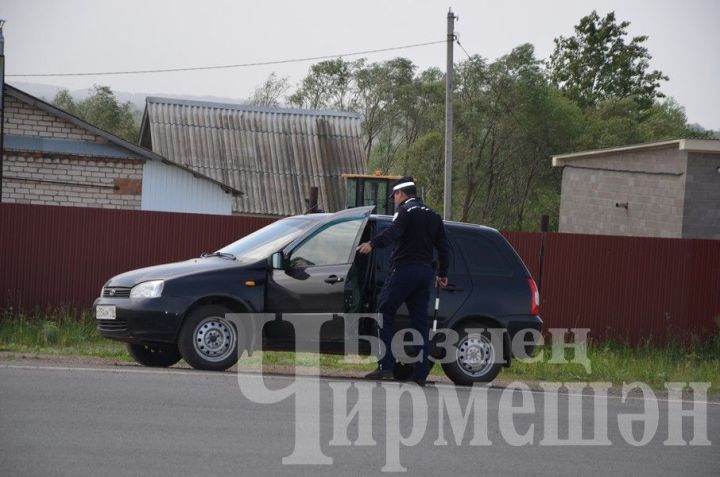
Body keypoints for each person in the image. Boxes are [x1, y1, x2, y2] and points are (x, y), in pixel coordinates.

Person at [356, 176, 449, 386]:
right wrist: (443, 273)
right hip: (425, 272)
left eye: (395, 196)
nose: (395, 200)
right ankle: (421, 373)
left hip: (404, 270)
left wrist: (372, 243)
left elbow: (393, 232)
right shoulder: (434, 215)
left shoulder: (405, 211)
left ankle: (386, 366)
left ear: (401, 194)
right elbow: (443, 247)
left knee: (383, 312)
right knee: (419, 322)